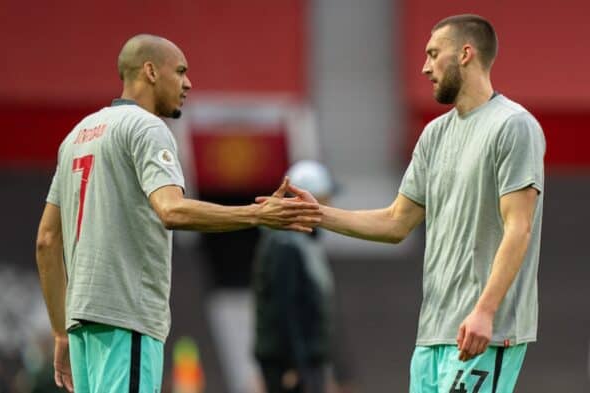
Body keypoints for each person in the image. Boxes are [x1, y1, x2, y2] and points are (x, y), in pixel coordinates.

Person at [35, 34, 321, 393]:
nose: (189, 83)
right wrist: (257, 215)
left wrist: (60, 331)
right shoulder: (147, 128)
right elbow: (171, 210)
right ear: (151, 71)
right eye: (181, 71)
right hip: (127, 318)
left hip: (82, 326)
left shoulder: (76, 136)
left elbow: (46, 241)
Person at [274, 14, 545, 393]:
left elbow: (520, 227)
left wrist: (485, 311)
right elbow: (396, 222)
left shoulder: (513, 125)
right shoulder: (434, 135)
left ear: (465, 54)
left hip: (483, 332)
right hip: (432, 334)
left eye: (434, 54)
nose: (425, 67)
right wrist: (315, 213)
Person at [253, 160, 337, 393]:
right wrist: (294, 364)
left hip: (302, 357)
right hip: (290, 362)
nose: (331, 205)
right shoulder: (286, 244)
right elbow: (285, 307)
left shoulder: (299, 242)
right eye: (326, 198)